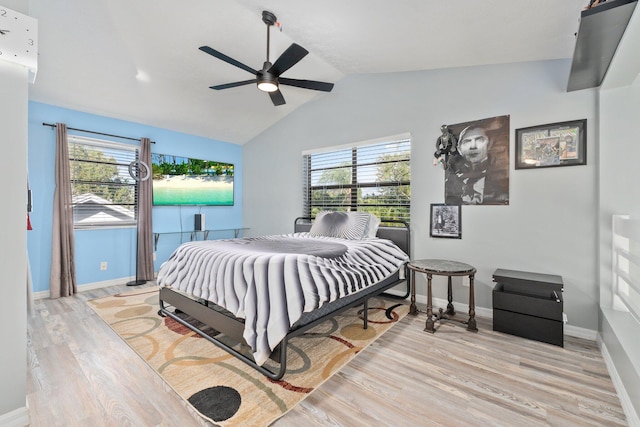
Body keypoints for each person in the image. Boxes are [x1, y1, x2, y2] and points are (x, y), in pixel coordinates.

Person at [445, 125, 508, 205]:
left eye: (479, 140)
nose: (473, 146)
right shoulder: (451, 180)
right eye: (467, 142)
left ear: (489, 144)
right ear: (459, 149)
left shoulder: (502, 175)